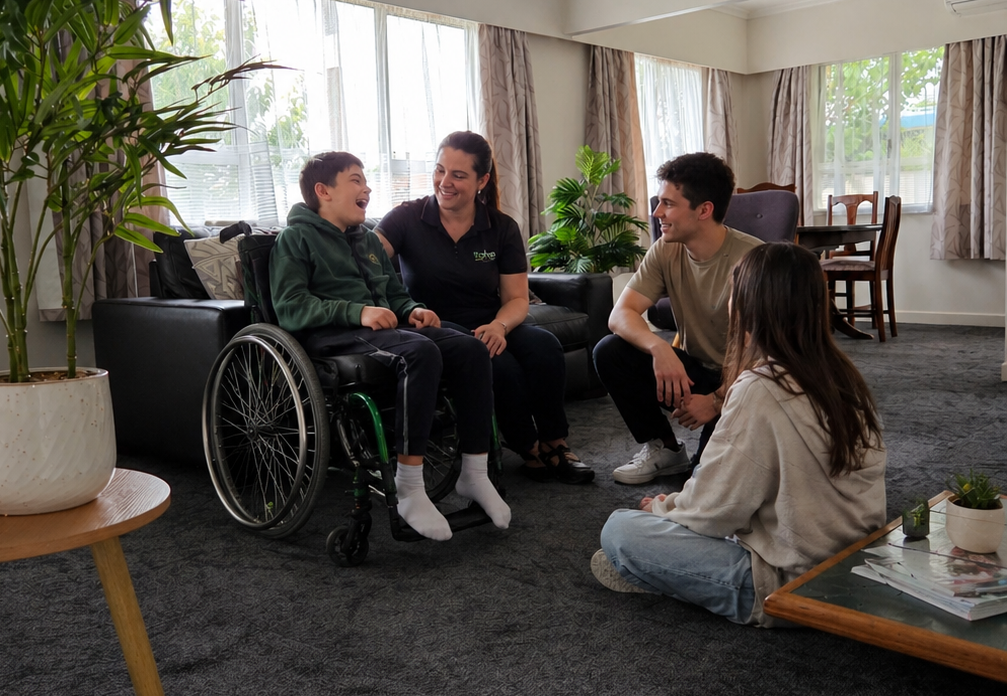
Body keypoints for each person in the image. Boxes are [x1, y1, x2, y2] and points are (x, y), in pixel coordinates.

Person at [591, 241, 887, 626]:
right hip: (852, 557)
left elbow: (718, 510)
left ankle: (672, 577)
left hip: (792, 580)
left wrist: (664, 509)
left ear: (749, 307)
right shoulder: (842, 374)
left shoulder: (759, 386)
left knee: (620, 531)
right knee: (702, 481)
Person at [270, 151, 511, 542]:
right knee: (420, 353)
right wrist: (357, 311)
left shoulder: (367, 238)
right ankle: (410, 487)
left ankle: (474, 473)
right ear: (323, 191)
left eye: (366, 180)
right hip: (332, 338)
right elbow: (290, 307)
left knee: (469, 348)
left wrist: (413, 310)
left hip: (382, 330)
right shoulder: (295, 238)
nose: (367, 188)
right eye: (356, 180)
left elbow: (395, 293)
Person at [377, 131, 593, 486]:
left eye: (458, 175)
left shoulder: (501, 228)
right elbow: (365, 256)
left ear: (482, 181)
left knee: (544, 348)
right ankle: (528, 447)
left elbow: (516, 298)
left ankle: (557, 443)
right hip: (432, 323)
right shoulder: (406, 218)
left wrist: (499, 326)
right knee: (498, 362)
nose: (445, 182)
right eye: (440, 170)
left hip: (489, 320)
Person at [593, 152, 759, 484]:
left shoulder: (753, 261)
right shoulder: (666, 249)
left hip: (747, 386)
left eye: (668, 204)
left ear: (704, 210)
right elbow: (621, 314)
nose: (657, 214)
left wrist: (715, 401)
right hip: (697, 372)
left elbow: (768, 359)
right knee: (610, 350)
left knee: (702, 485)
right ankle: (666, 448)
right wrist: (660, 349)